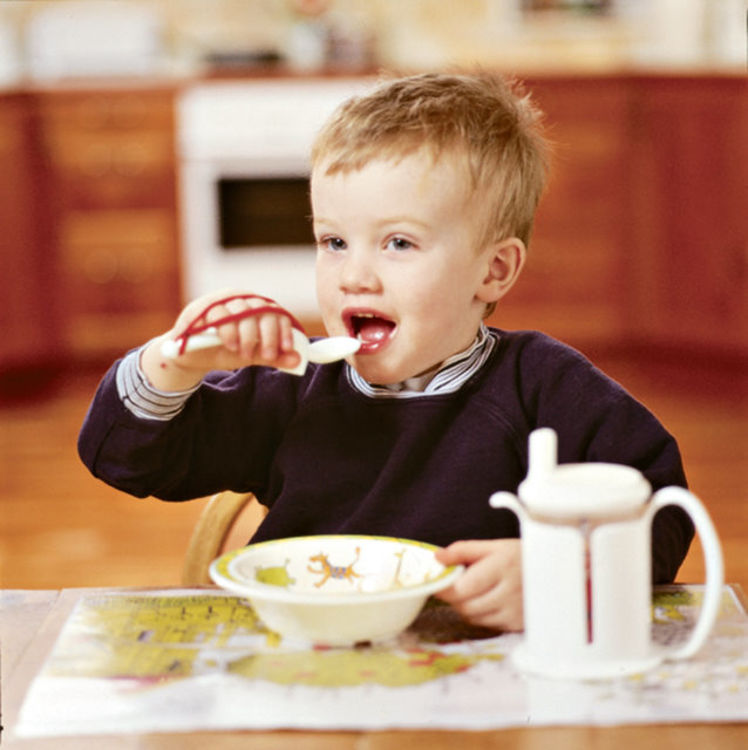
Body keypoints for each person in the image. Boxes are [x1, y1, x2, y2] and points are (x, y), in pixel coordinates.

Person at [78, 72, 694, 632]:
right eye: (334, 240)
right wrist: (176, 362)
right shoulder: (295, 388)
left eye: (398, 243)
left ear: (494, 270)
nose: (354, 275)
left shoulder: (543, 385)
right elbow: (126, 457)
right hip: (303, 669)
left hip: (479, 689)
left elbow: (665, 507)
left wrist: (560, 570)